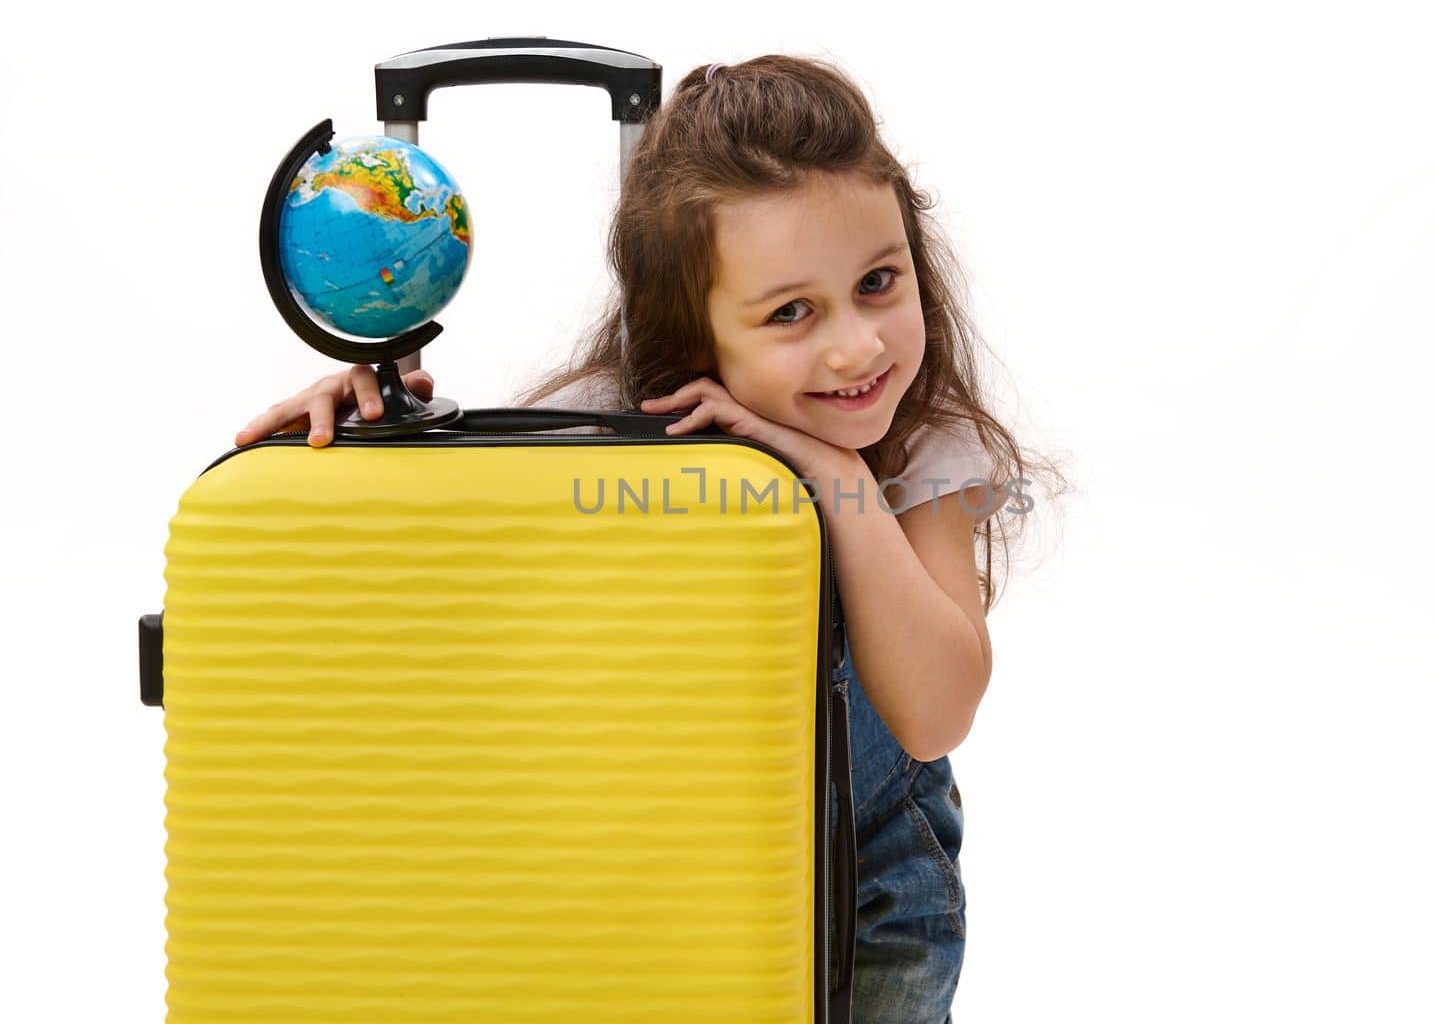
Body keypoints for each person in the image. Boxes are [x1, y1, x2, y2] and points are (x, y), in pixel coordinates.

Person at [235, 54, 1069, 1023]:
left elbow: (932, 717)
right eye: (791, 312)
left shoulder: (924, 450)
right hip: (659, 884)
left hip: (870, 888)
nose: (858, 347)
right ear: (691, 330)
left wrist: (839, 481)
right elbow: (439, 603)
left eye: (879, 282)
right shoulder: (607, 430)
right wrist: (367, 420)